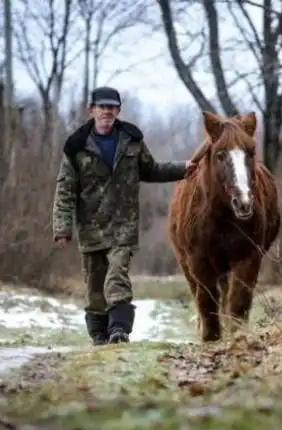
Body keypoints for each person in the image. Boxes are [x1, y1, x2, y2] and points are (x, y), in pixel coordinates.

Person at [52, 86, 196, 345]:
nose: (107, 111)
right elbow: (65, 190)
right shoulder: (76, 146)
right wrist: (62, 228)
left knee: (117, 274)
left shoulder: (132, 139)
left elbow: (151, 170)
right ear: (92, 110)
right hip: (91, 226)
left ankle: (120, 329)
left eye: (112, 107)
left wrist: (184, 169)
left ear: (118, 111)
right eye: (102, 107)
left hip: (123, 225)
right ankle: (99, 333)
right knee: (94, 284)